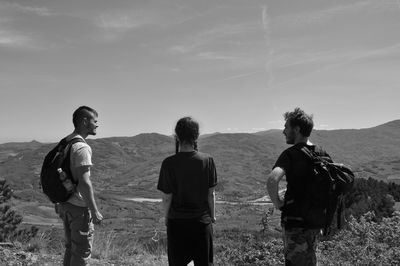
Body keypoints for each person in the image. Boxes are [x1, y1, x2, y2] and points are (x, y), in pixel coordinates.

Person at [266, 107, 331, 266]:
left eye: (286, 127)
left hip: (295, 224)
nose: (283, 131)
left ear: (297, 129)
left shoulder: (291, 154)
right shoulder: (323, 154)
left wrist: (278, 203)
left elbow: (273, 180)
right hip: (315, 222)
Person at [157, 117, 217, 266]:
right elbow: (211, 194)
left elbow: (166, 197)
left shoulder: (168, 163)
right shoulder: (207, 160)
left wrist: (166, 217)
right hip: (202, 223)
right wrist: (213, 216)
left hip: (177, 223)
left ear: (176, 136)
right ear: (196, 136)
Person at [58, 106, 103, 266]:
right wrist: (94, 210)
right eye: (95, 121)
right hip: (78, 207)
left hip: (65, 204)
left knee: (71, 248)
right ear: (85, 121)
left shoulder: (66, 142)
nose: (97, 125)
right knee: (82, 251)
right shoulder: (82, 147)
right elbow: (84, 183)